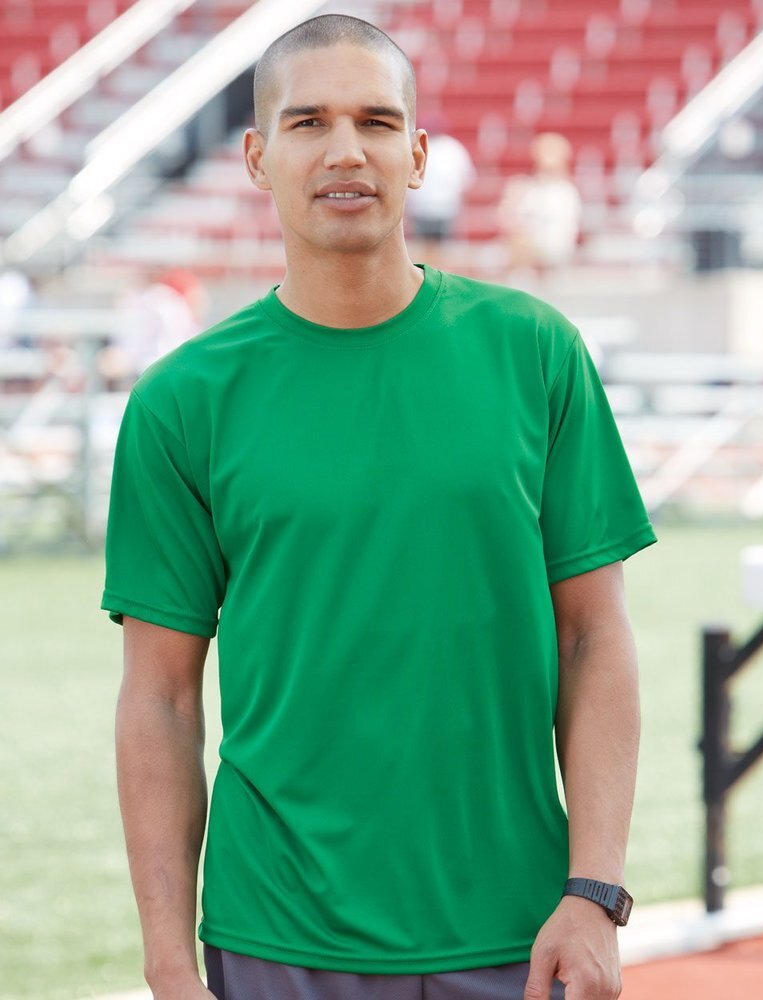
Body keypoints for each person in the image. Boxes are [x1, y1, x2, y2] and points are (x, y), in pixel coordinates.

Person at [101, 14, 657, 1000]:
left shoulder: (534, 352)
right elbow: (161, 697)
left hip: (514, 930)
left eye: (376, 121)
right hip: (274, 937)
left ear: (418, 156)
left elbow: (593, 639)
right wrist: (166, 959)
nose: (345, 149)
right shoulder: (181, 401)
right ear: (257, 157)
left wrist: (594, 890)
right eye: (309, 121)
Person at [498, 132, 582, 283]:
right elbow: (507, 217)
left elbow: (567, 231)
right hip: (526, 250)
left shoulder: (567, 191)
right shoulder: (522, 186)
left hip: (554, 250)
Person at [405, 112, 475, 269]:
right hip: (439, 207)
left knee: (428, 250)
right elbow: (466, 181)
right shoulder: (453, 148)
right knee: (436, 250)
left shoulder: (420, 147)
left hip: (430, 207)